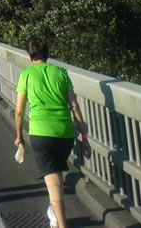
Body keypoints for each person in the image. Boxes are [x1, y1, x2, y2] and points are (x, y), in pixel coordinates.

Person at [14, 38, 91, 228]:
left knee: (54, 184)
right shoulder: (61, 72)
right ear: (47, 54)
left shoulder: (27, 74)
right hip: (65, 134)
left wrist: (19, 136)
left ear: (29, 56)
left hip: (41, 133)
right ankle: (54, 215)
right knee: (55, 176)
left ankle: (61, 224)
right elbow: (75, 106)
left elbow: (19, 111)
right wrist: (84, 137)